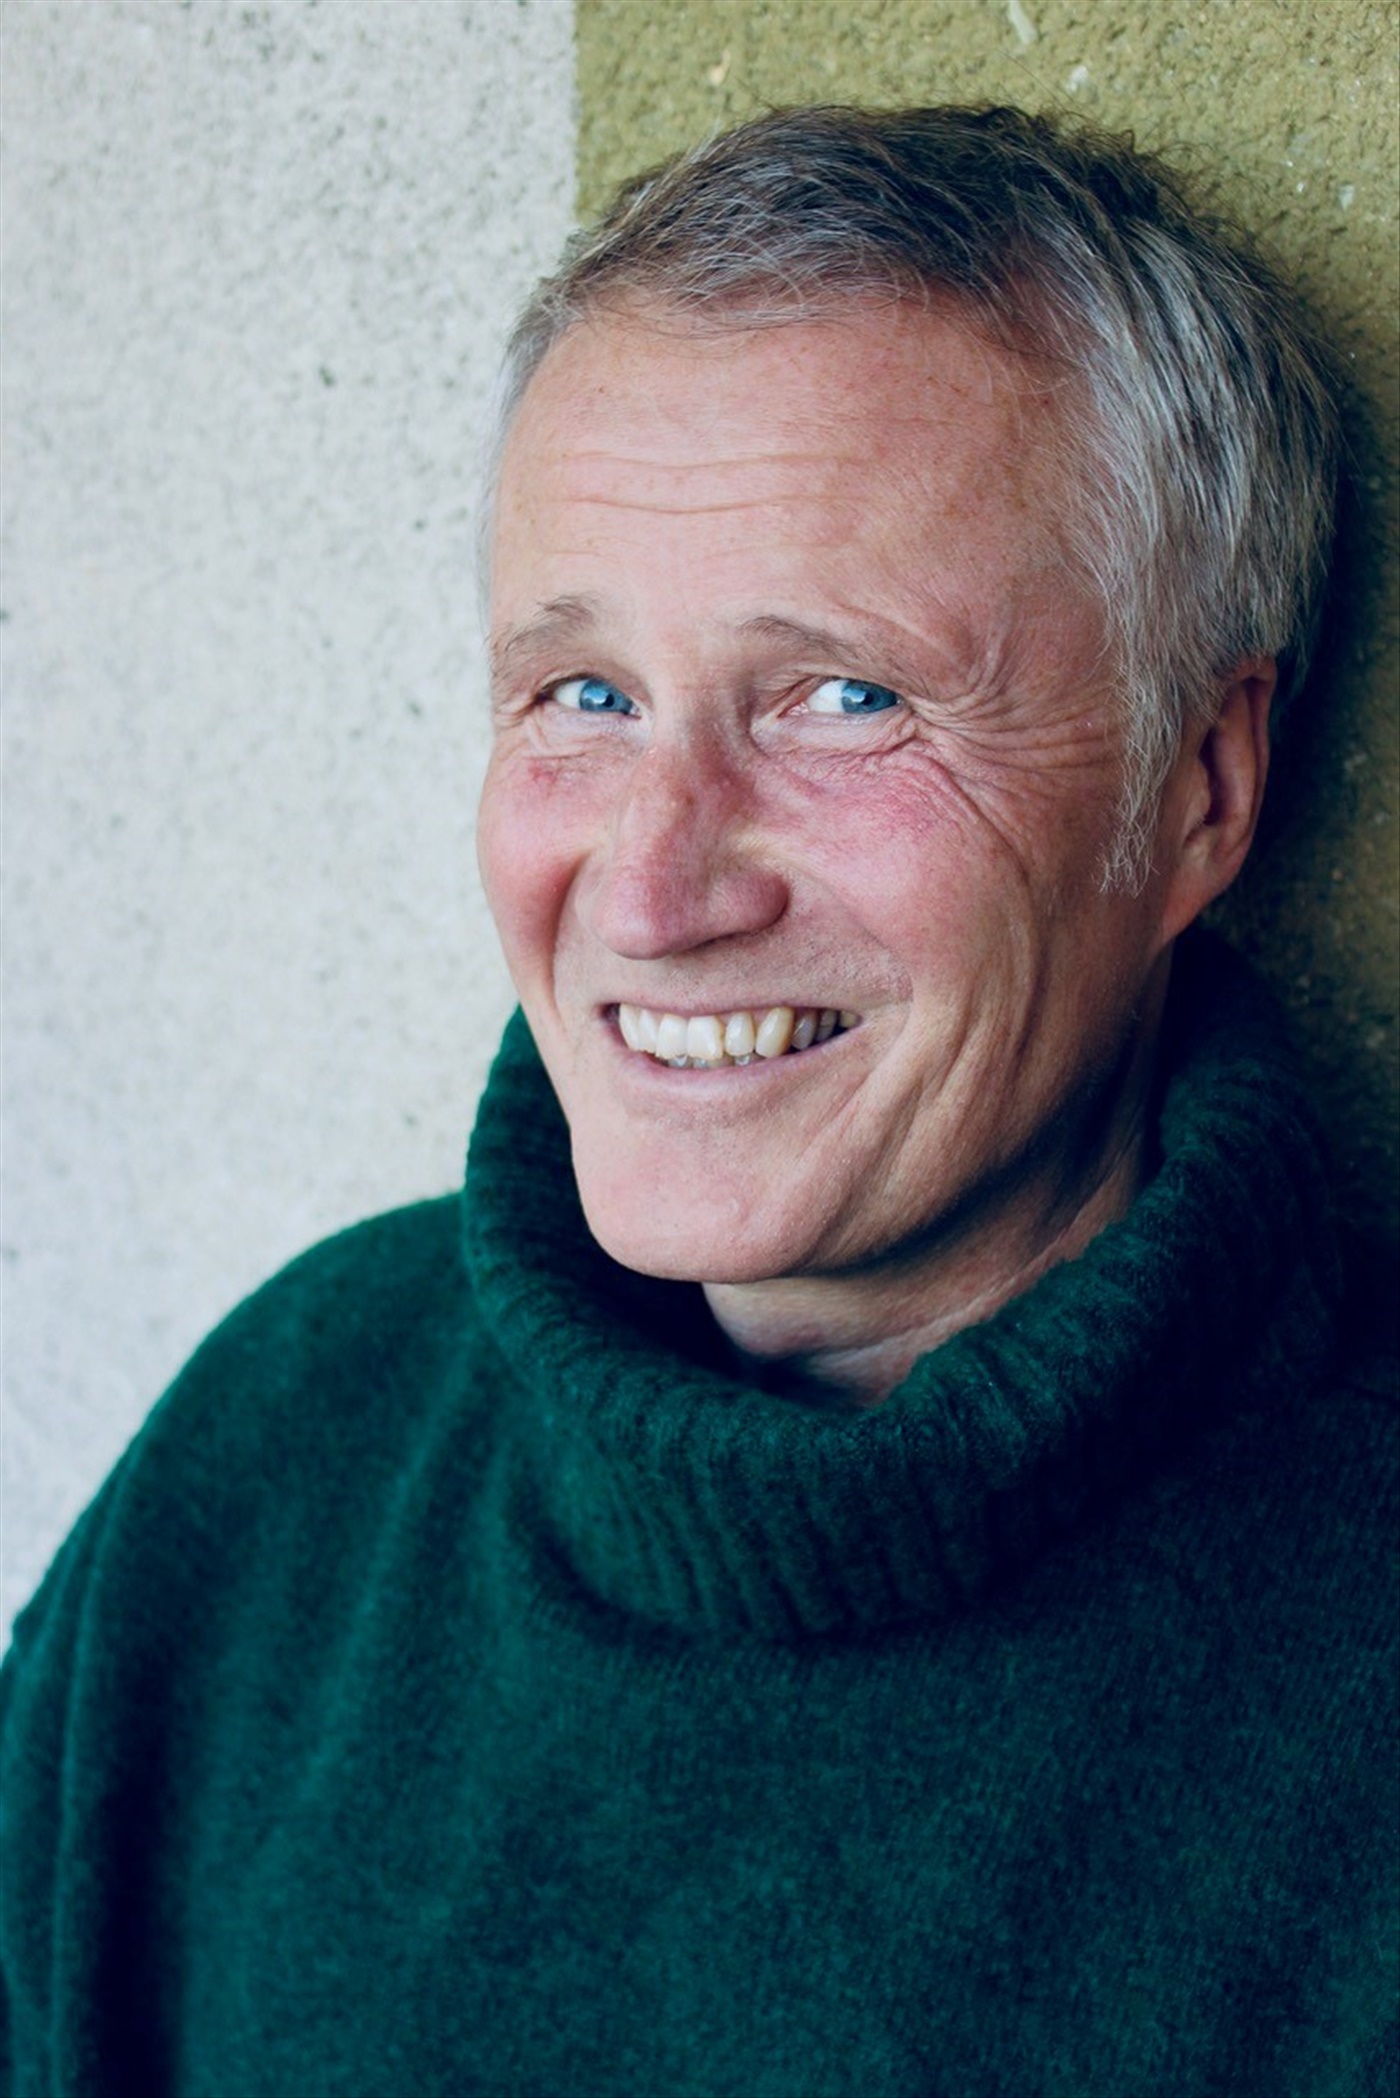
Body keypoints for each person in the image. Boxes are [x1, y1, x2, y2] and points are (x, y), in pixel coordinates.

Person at [2, 104, 1394, 2097]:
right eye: (583, 695)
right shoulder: (282, 1455)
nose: (654, 891)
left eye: (845, 698)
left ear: (1201, 785)